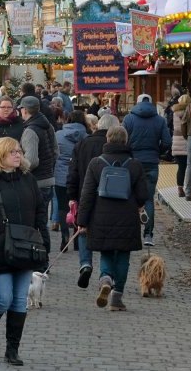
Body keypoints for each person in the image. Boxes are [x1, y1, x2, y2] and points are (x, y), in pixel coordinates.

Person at [0, 137, 46, 366]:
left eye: (19, 151)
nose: (18, 155)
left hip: (26, 248)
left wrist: (44, 242)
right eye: (12, 152)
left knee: (18, 301)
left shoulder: (29, 179)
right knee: (2, 298)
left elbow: (40, 211)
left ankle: (12, 349)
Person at [75, 126, 150, 312]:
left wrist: (82, 221)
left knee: (106, 252)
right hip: (127, 218)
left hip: (100, 217)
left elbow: (87, 195)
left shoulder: (96, 163)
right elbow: (143, 195)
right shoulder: (135, 164)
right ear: (125, 141)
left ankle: (106, 278)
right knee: (123, 255)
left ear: (107, 139)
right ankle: (117, 298)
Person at [67, 112, 118, 288]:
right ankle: (106, 273)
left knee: (82, 228)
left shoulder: (82, 143)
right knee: (107, 233)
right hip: (111, 198)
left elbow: (72, 171)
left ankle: (85, 263)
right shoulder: (116, 146)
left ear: (97, 126)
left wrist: (72, 196)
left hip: (84, 193)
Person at [122, 93, 170, 247]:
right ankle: (148, 235)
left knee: (130, 197)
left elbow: (123, 140)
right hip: (152, 162)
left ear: (137, 103)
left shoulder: (129, 119)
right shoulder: (160, 120)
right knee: (149, 198)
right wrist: (158, 151)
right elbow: (167, 141)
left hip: (133, 162)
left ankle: (131, 232)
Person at [17, 95, 58, 254]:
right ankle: (44, 255)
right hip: (48, 179)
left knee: (34, 222)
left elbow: (32, 161)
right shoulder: (48, 126)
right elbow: (56, 152)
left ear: (25, 110)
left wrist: (18, 165)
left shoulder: (30, 131)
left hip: (35, 182)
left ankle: (39, 255)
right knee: (42, 222)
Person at [53, 111, 88, 252]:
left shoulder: (58, 135)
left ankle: (64, 237)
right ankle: (76, 238)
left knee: (62, 207)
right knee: (78, 207)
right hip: (79, 177)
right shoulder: (86, 137)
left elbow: (55, 153)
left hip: (61, 176)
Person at [171, 94, 191, 198]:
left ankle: (180, 188)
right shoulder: (190, 112)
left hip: (177, 142)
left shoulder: (174, 113)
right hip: (188, 141)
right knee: (190, 166)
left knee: (181, 167)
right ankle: (190, 187)